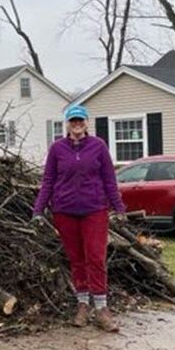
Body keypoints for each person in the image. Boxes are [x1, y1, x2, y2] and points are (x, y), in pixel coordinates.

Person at [31, 105, 126, 332]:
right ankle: (82, 305)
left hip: (94, 210)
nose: (76, 124)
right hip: (64, 211)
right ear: (67, 123)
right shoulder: (57, 149)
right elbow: (48, 181)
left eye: (80, 120)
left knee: (95, 257)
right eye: (73, 120)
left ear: (86, 123)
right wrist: (38, 210)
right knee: (77, 259)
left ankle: (102, 308)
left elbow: (109, 180)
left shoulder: (98, 146)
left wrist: (119, 207)